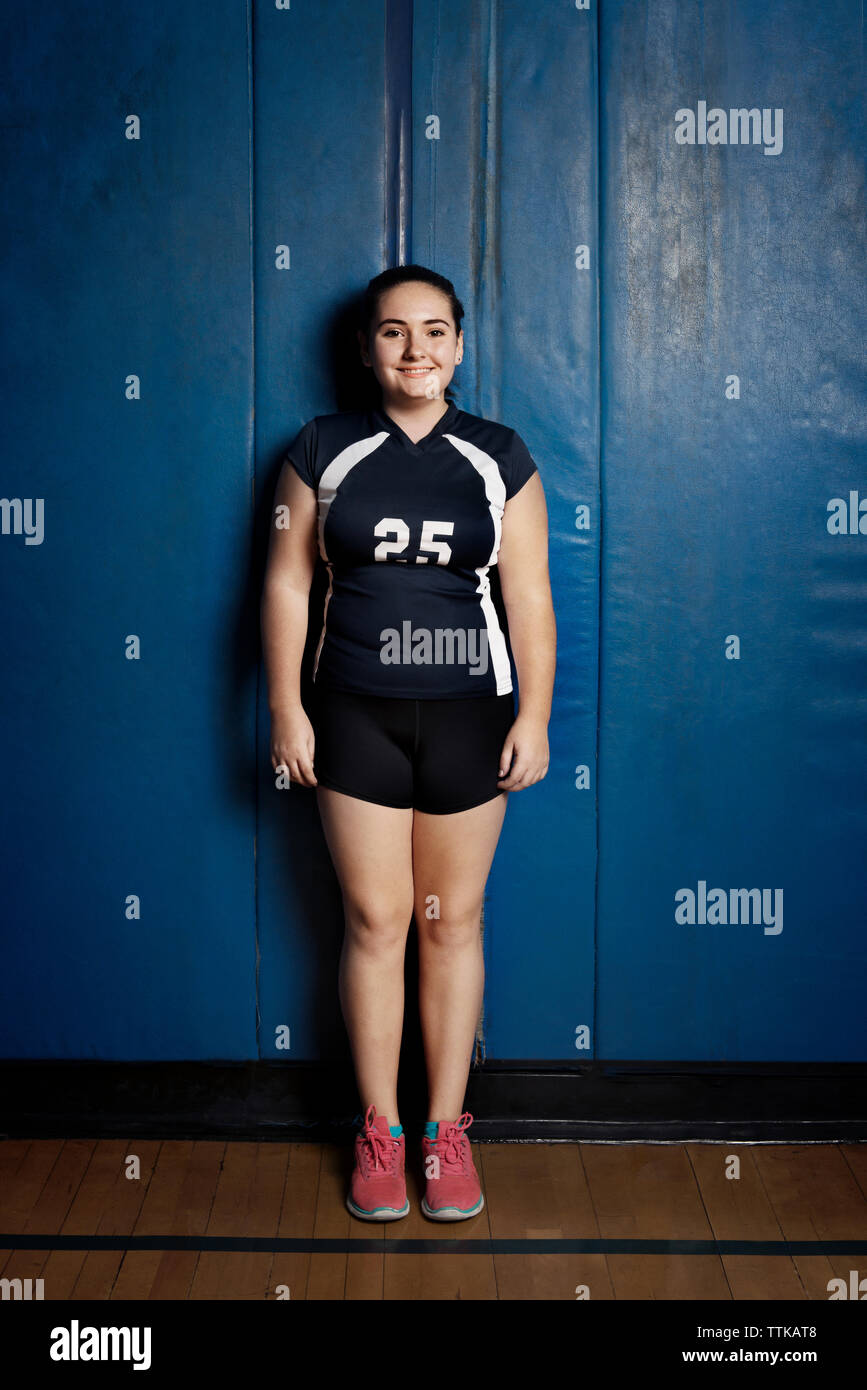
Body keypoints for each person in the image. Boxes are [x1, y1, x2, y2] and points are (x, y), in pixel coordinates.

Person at [260, 265, 556, 1221]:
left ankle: (446, 1132)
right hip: (354, 711)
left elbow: (529, 597)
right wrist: (284, 709)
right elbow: (284, 587)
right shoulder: (320, 449)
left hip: (470, 711)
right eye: (393, 332)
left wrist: (536, 716)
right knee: (376, 923)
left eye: (434, 331)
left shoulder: (498, 454)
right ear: (364, 348)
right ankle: (380, 1132)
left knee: (450, 923)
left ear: (459, 346)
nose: (416, 349)